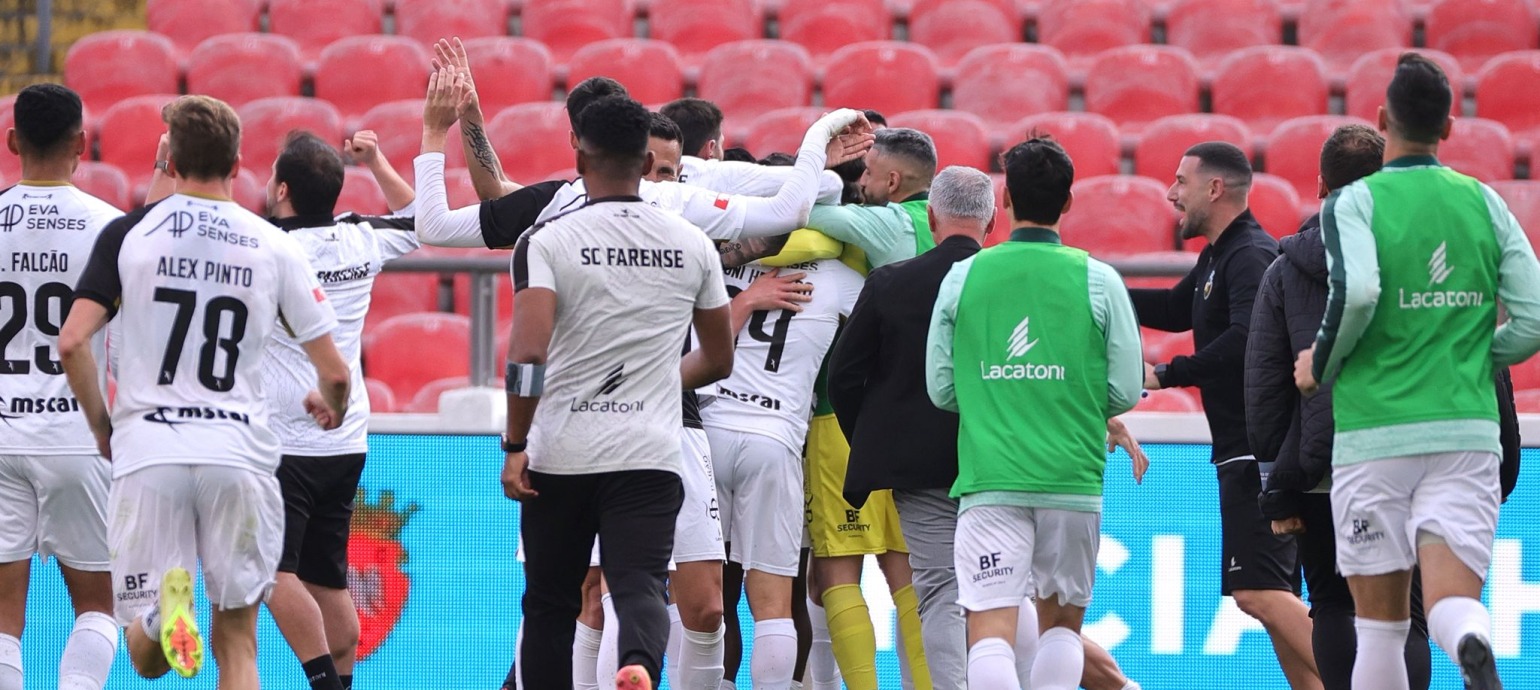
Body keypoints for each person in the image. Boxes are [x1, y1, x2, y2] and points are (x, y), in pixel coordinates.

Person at [58, 95, 351, 690]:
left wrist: (101, 425)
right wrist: (332, 403)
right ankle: (174, 616)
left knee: (148, 660)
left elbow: (71, 342)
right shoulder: (273, 243)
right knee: (237, 643)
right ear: (238, 163)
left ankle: (163, 614)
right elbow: (337, 374)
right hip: (236, 454)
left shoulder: (128, 235)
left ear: (170, 160)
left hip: (150, 453)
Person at [1295, 53, 1540, 690]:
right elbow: (1535, 316)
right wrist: (1473, 357)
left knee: (1380, 627)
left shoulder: (1354, 202)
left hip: (1375, 433)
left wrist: (1319, 363)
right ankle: (1471, 638)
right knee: (1450, 602)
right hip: (1465, 432)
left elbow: (1359, 294)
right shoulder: (1485, 202)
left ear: (1383, 119)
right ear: (1449, 128)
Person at [496, 94, 741, 690]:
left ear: (579, 154)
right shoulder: (691, 242)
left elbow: (528, 354)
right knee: (639, 587)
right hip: (650, 449)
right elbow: (719, 358)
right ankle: (638, 664)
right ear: (647, 161)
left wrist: (515, 443)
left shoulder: (546, 240)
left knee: (551, 603)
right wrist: (655, 383)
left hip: (562, 451)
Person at [926, 137, 1144, 690]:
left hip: (990, 477)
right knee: (1062, 629)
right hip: (1071, 477)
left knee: (990, 630)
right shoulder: (1099, 279)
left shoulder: (964, 276)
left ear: (1004, 198)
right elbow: (1125, 389)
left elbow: (941, 389)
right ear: (1068, 202)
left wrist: (996, 397)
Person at [1132, 142, 1320, 688]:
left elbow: (1245, 340)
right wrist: (1095, 288)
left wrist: (1167, 373)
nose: (1171, 193)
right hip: (1243, 450)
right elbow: (1176, 309)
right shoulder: (1221, 253)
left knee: (1258, 592)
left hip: (1258, 451)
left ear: (1214, 189)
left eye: (1180, 181)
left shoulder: (1250, 254)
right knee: (1271, 596)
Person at [256, 130, 422, 690]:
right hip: (345, 440)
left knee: (271, 574)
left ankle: (325, 683)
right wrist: (376, 161)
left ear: (282, 189)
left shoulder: (264, 248)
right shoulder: (360, 238)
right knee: (325, 579)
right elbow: (421, 218)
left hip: (282, 440)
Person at [702, 195, 868, 689]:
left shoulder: (715, 263)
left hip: (707, 434)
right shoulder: (837, 277)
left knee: (709, 599)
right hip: (775, 442)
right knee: (775, 604)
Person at [0, 83, 122, 690]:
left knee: (2, 619)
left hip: (0, 435)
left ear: (12, 141)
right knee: (98, 606)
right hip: (76, 434)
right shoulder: (110, 229)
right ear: (82, 143)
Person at [804, 127, 938, 269]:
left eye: (868, 172)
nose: (862, 181)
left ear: (892, 182)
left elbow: (799, 211)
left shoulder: (891, 224)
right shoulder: (942, 217)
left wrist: (814, 158)